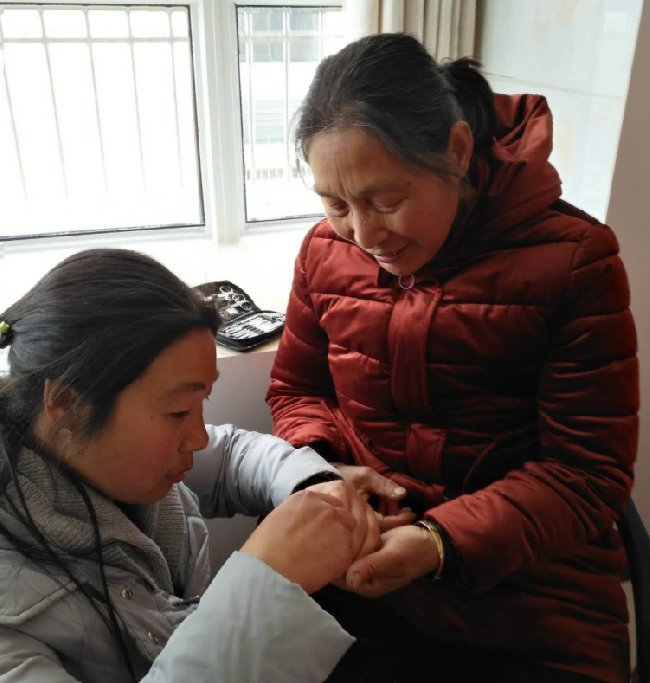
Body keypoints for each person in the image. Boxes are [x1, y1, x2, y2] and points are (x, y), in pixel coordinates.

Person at [267, 33, 639, 683]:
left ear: (457, 151)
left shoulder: (575, 260)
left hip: (532, 599)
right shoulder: (324, 252)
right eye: (336, 204)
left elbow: (587, 474)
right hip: (368, 574)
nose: (364, 233)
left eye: (386, 201)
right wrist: (324, 472)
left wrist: (440, 542)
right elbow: (297, 391)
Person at [0, 248, 406, 683]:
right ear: (67, 404)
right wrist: (264, 583)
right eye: (178, 411)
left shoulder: (103, 455)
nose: (197, 437)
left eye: (201, 403)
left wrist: (315, 486)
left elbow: (231, 455)